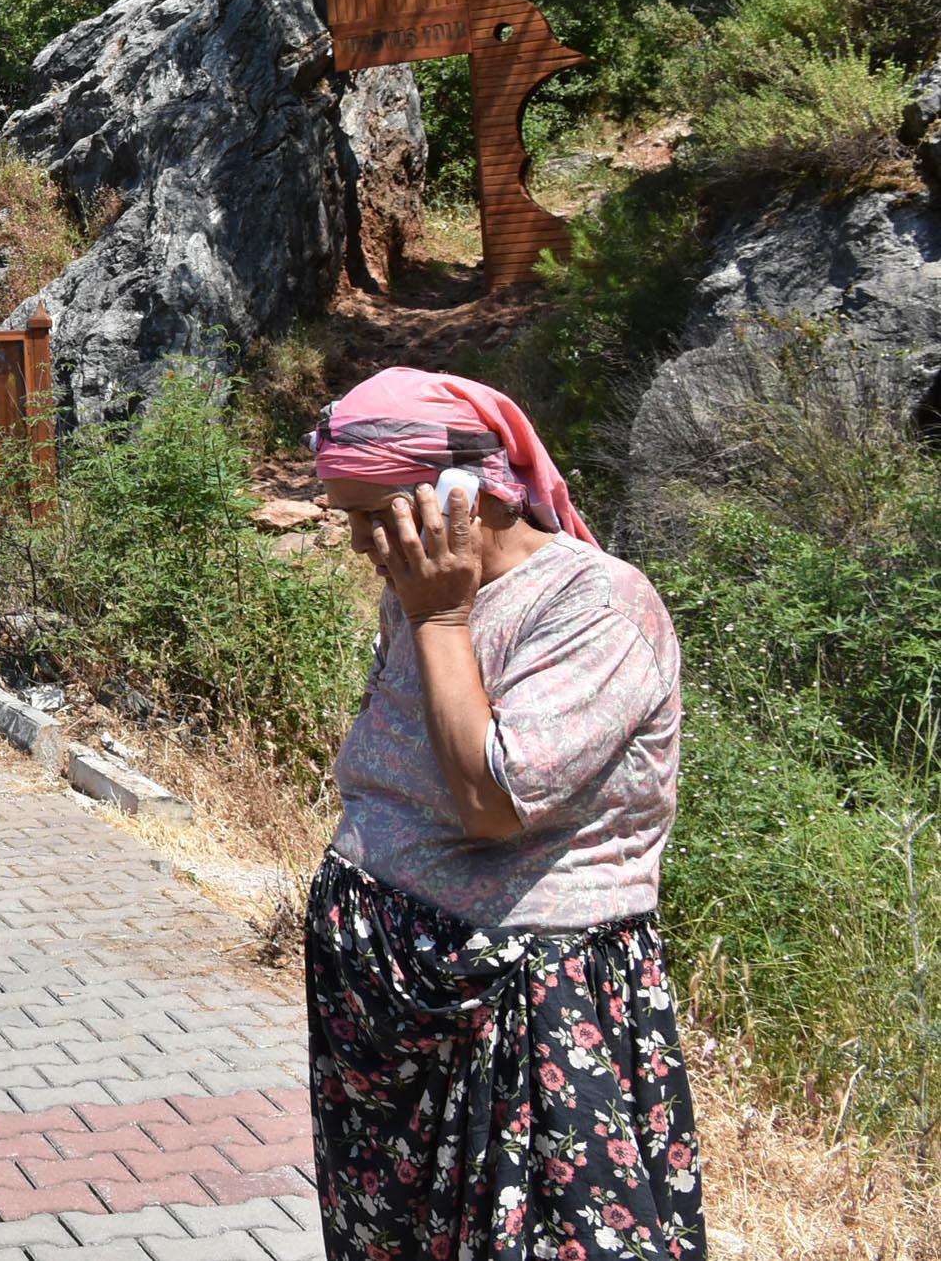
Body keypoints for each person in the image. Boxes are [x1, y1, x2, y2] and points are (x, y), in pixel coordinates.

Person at [305, 369, 704, 1259]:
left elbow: (492, 803)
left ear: (470, 491)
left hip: (528, 1001)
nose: (370, 543)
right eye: (352, 520)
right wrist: (433, 609)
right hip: (389, 994)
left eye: (380, 514)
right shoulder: (423, 586)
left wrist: (441, 618)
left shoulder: (598, 604)